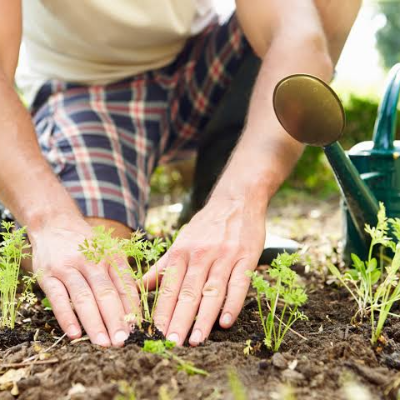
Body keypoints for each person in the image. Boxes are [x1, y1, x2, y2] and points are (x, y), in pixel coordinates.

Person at [0, 0, 361, 347]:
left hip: (200, 65)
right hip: (88, 88)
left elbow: (298, 35)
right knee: (96, 263)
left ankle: (210, 202)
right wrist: (48, 218)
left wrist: (240, 198)